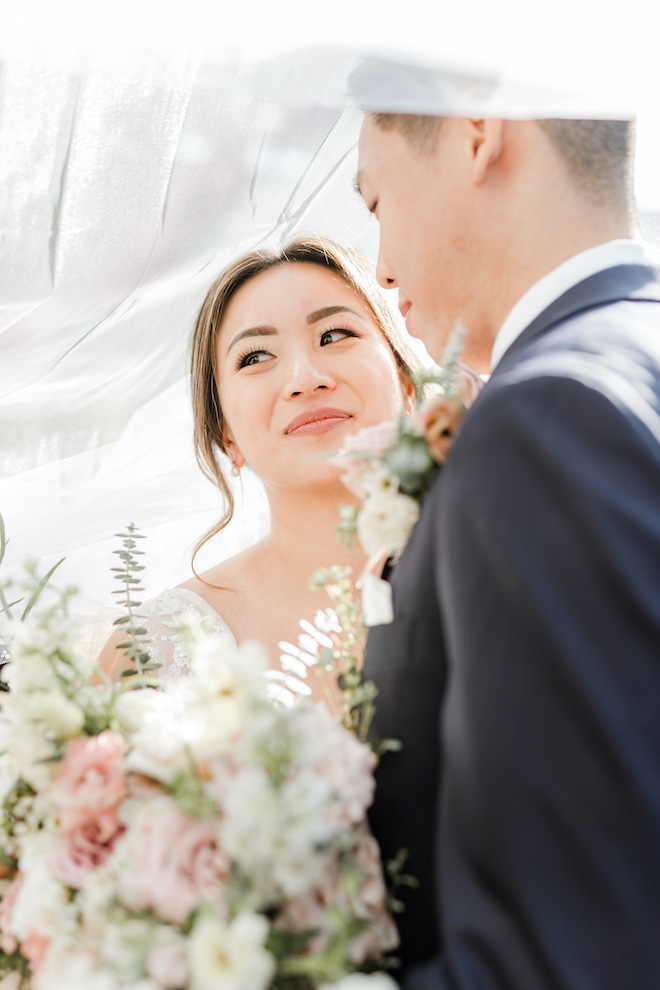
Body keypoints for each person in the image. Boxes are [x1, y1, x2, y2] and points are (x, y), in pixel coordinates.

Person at [357, 109, 660, 988]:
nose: (378, 265)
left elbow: (572, 952)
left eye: (376, 201)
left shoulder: (553, 414)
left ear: (476, 132)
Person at [99, 236, 418, 700]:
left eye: (335, 335)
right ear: (226, 433)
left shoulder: (514, 557)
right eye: (255, 357)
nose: (305, 380)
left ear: (406, 382)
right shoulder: (154, 650)